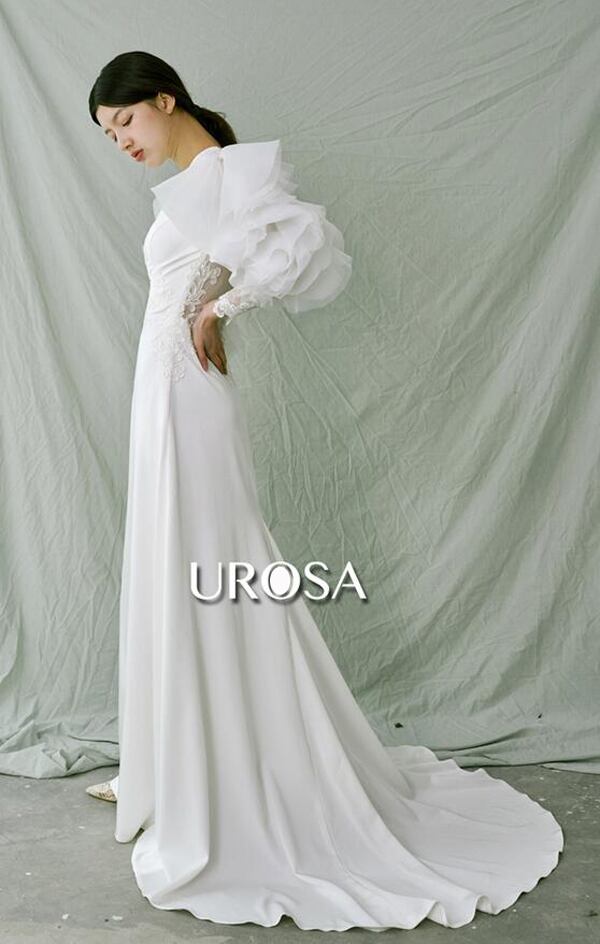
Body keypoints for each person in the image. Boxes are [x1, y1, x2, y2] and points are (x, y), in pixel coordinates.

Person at [85, 51, 563, 932]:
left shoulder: (222, 171)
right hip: (161, 391)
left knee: (210, 562)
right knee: (172, 560)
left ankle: (220, 768)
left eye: (125, 122)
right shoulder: (196, 180)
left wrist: (218, 309)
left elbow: (299, 248)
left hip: (188, 397)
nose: (121, 142)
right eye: (108, 135)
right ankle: (168, 759)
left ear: (165, 98)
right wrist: (206, 303)